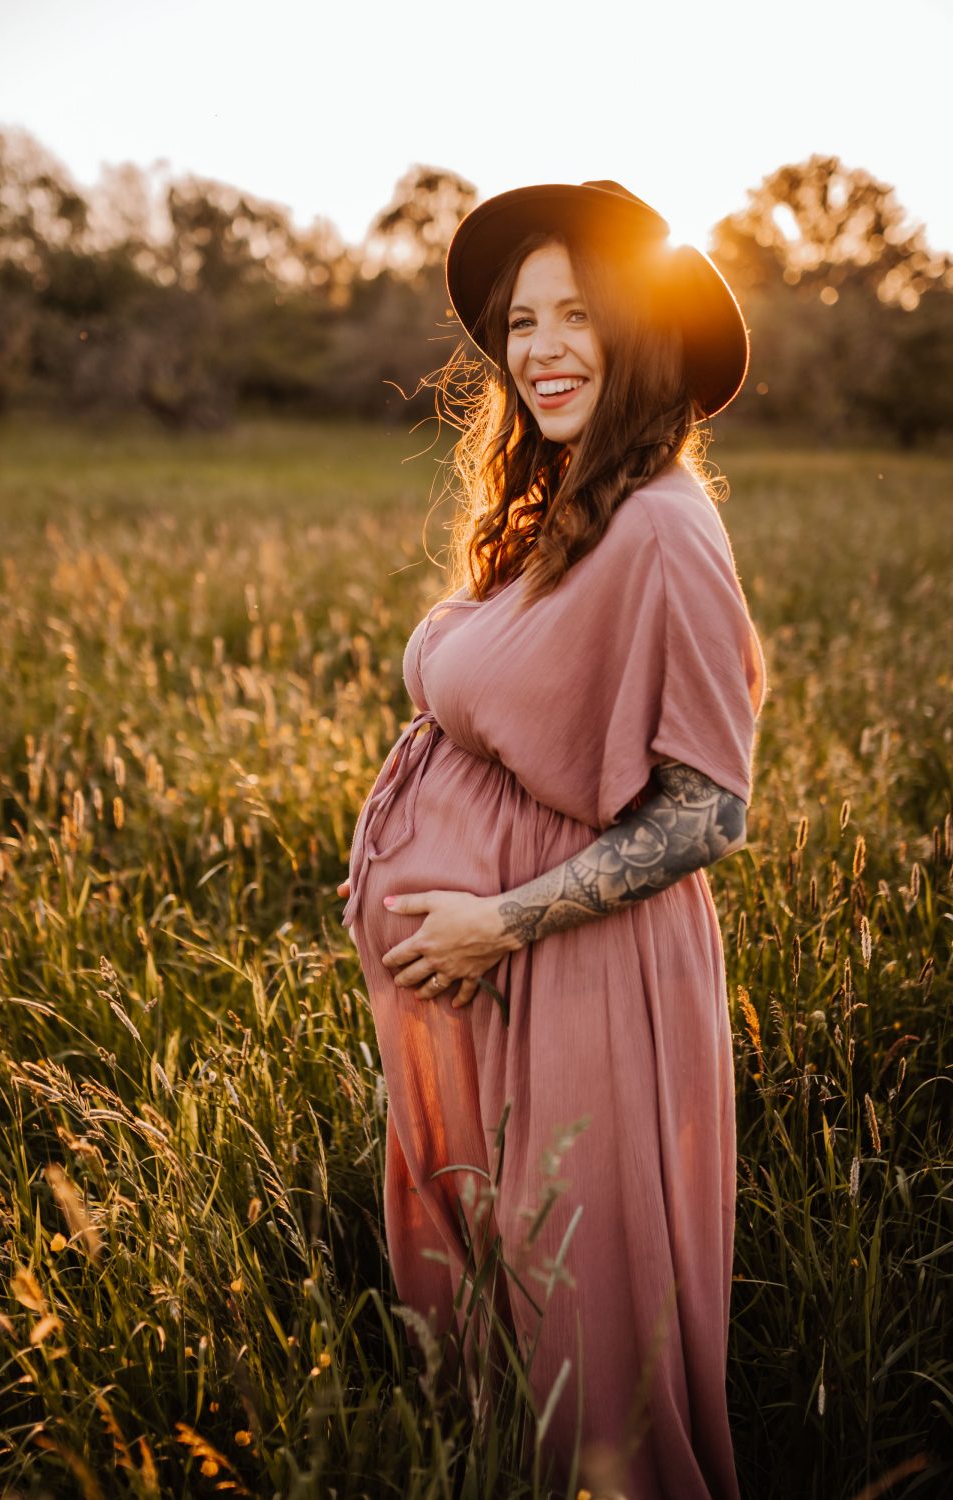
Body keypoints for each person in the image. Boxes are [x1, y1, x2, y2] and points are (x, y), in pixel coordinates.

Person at [336, 179, 767, 1500]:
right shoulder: (565, 505)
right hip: (495, 980)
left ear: (638, 333)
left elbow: (708, 805)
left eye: (578, 314)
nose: (540, 349)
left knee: (592, 1369)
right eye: (522, 322)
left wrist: (502, 921)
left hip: (589, 980)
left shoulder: (661, 529)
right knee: (510, 1346)